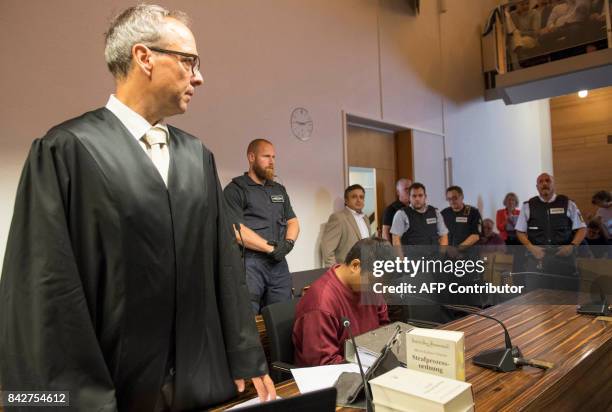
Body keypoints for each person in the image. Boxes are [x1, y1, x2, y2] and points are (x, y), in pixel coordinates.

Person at [0, 5, 275, 411]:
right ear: (144, 57)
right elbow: (47, 288)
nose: (199, 76)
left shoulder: (197, 156)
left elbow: (223, 263)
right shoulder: (68, 151)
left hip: (200, 382)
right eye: (189, 61)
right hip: (114, 388)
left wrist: (243, 353)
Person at [224, 139, 300, 315]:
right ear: (251, 157)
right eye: (266, 156)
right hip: (250, 265)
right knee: (249, 319)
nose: (272, 161)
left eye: (274, 157)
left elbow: (293, 221)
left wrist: (288, 243)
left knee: (283, 316)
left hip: (279, 263)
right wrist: (269, 248)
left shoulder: (278, 190)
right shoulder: (235, 189)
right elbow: (236, 229)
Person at [293, 238, 393, 366]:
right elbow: (324, 364)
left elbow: (384, 329)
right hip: (336, 376)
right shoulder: (321, 304)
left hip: (367, 364)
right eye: (373, 281)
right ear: (355, 266)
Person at [516, 173, 586, 277]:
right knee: (535, 293)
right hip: (537, 258)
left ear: (554, 185)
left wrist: (571, 247)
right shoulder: (528, 206)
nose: (544, 183)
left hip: (564, 258)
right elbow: (520, 231)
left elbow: (582, 228)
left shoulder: (568, 203)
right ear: (537, 187)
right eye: (541, 182)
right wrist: (531, 248)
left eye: (548, 181)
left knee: (565, 292)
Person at [320, 184, 371, 267]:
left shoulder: (365, 218)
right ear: (346, 200)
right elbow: (327, 249)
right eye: (354, 197)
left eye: (361, 197)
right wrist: (336, 272)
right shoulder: (338, 218)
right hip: (347, 272)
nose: (359, 200)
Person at [390, 182, 448, 247]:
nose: (417, 199)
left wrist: (441, 254)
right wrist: (400, 257)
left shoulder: (435, 212)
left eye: (420, 195)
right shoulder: (401, 214)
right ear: (409, 197)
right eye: (414, 196)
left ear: (425, 197)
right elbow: (396, 240)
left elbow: (444, 235)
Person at [381, 178, 412, 242]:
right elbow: (385, 234)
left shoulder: (414, 207)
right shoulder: (390, 209)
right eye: (406, 189)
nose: (409, 191)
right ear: (398, 192)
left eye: (411, 188)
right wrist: (389, 251)